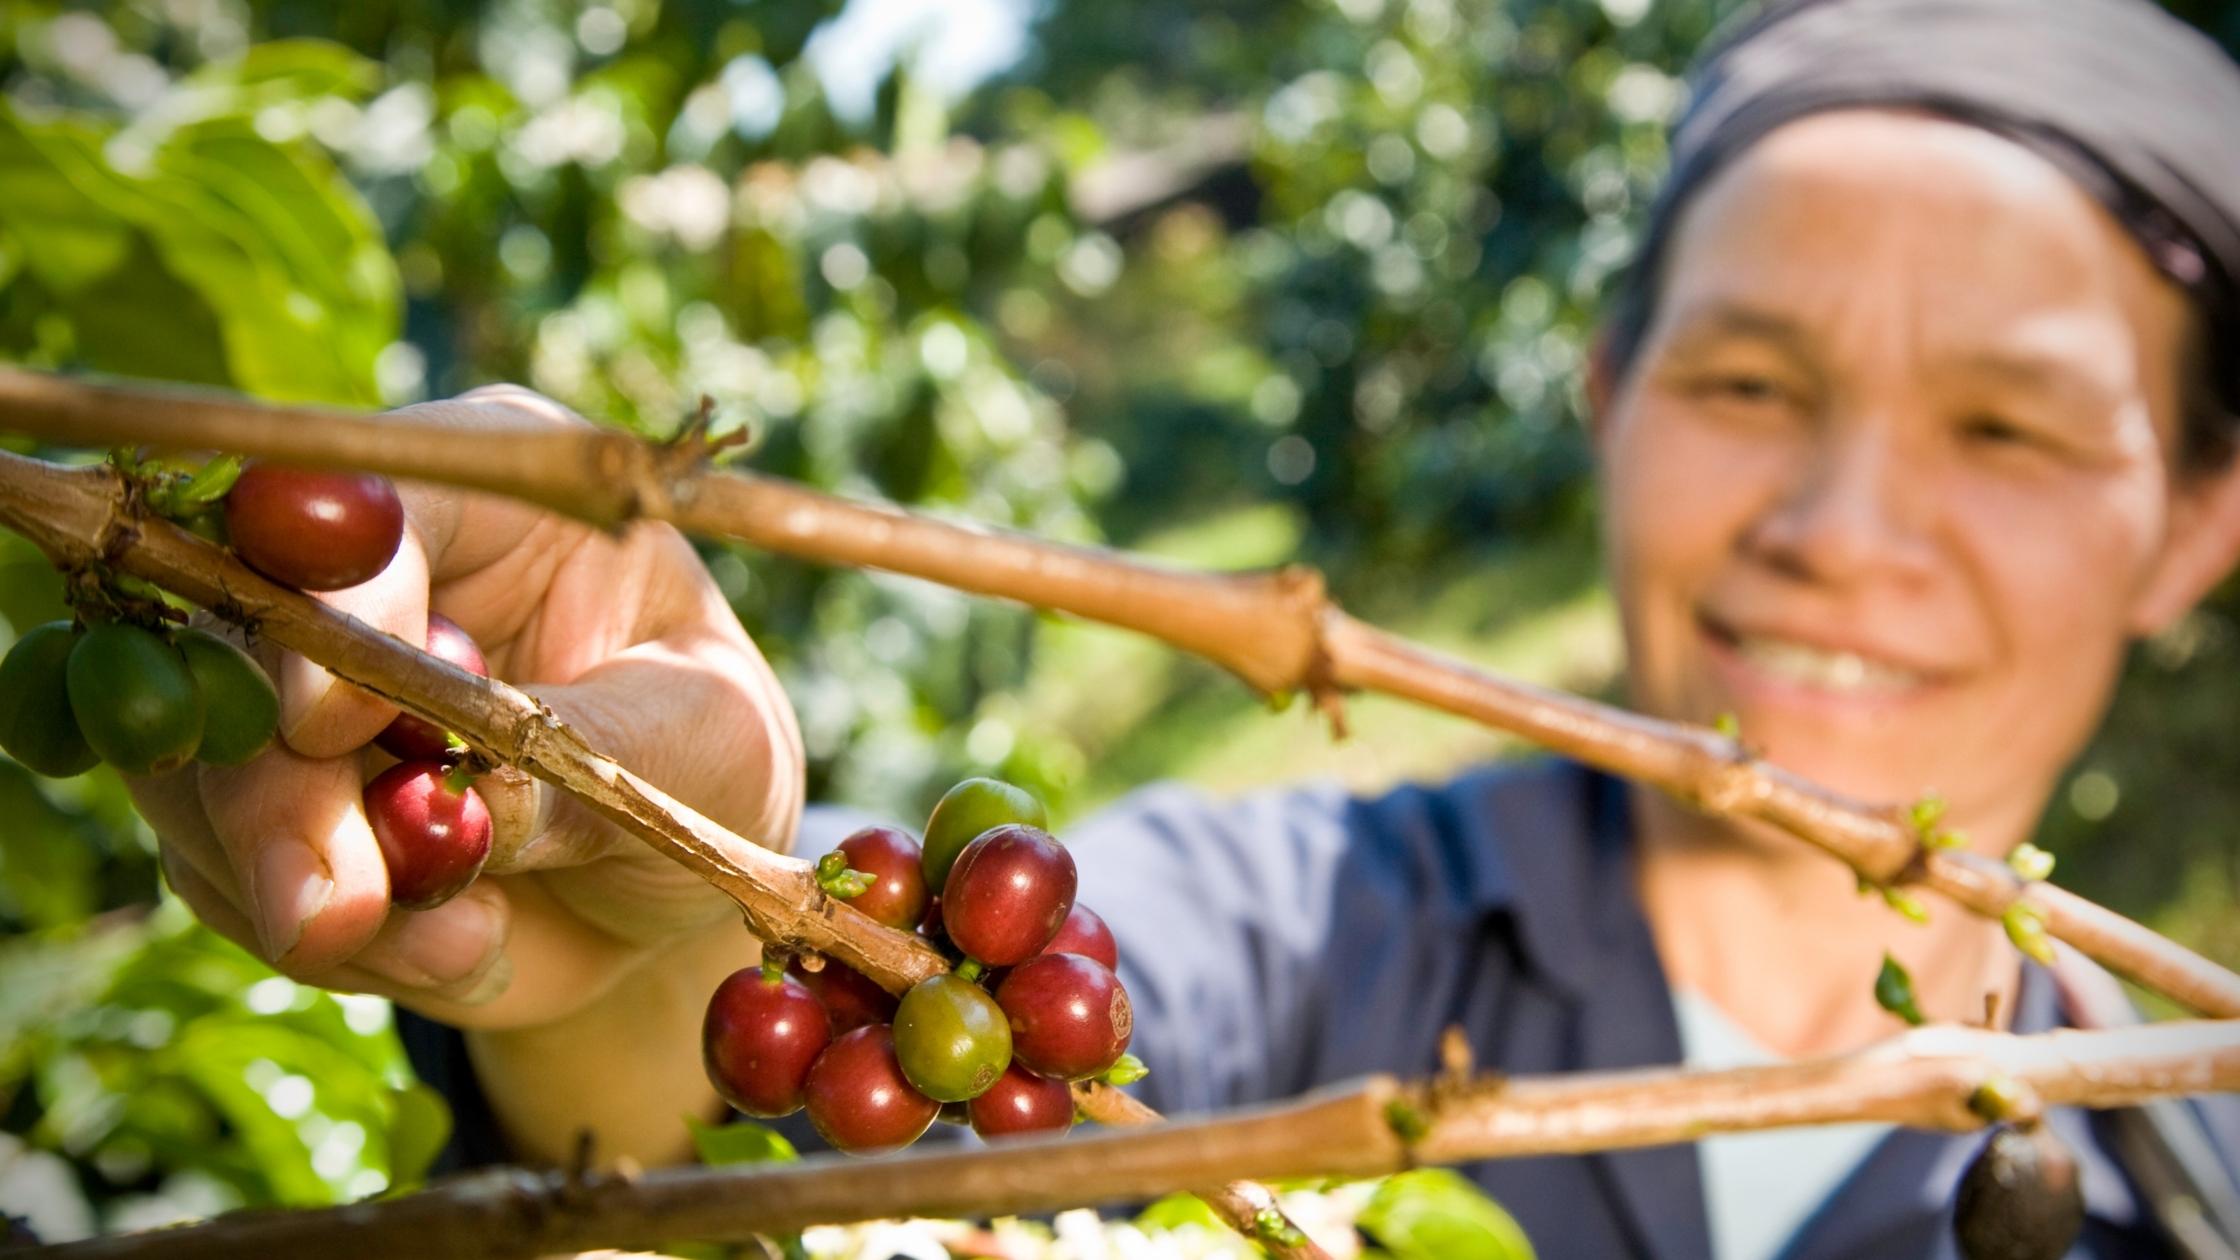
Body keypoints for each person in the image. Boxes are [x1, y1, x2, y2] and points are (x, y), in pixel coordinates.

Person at [128, 0, 2240, 1255]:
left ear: (2196, 523)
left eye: (2007, 427)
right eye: (1750, 385)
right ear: (1608, 404)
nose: (1844, 528)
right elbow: (785, 1107)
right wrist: (661, 933)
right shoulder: (1310, 935)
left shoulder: (2199, 1152)